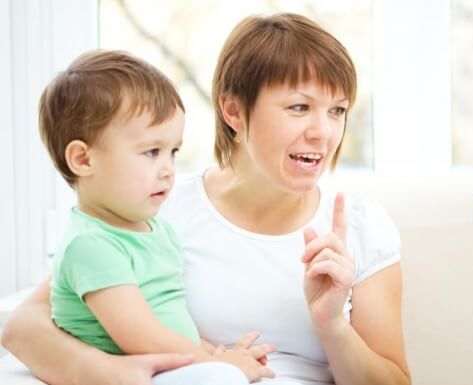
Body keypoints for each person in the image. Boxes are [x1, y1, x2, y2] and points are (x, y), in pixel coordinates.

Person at [2, 13, 410, 385]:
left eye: (337, 110)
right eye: (300, 107)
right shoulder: (157, 207)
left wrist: (332, 324)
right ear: (233, 111)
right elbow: (23, 327)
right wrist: (116, 374)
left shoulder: (358, 225)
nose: (324, 132)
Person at [36, 49, 274, 384]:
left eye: (172, 152)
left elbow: (172, 322)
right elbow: (140, 336)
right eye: (151, 152)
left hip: (164, 364)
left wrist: (218, 354)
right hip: (132, 370)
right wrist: (223, 365)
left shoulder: (156, 229)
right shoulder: (91, 245)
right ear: (83, 160)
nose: (167, 170)